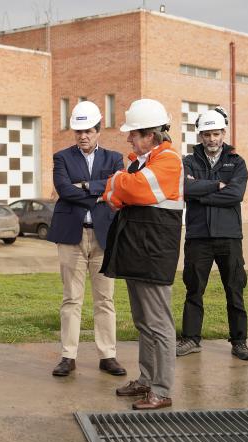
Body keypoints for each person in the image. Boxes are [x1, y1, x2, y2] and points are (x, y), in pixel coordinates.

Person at [101, 98, 183, 410]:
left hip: (154, 252)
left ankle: (161, 390)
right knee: (144, 322)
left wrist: (118, 182)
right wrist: (121, 185)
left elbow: (128, 189)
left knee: (159, 323)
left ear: (150, 134)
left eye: (133, 133)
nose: (128, 139)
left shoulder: (169, 160)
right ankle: (147, 380)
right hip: (138, 250)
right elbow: (113, 196)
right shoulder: (141, 162)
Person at [47, 101, 126, 377]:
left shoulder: (114, 159)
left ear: (98, 130)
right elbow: (65, 190)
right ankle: (68, 356)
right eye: (79, 131)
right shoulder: (62, 157)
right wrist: (98, 191)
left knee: (105, 299)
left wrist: (86, 186)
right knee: (72, 298)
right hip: (72, 237)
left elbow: (117, 184)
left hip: (104, 236)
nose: (83, 136)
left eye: (88, 130)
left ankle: (108, 355)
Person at [177, 108, 248, 361]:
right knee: (194, 289)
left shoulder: (237, 162)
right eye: (207, 134)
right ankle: (190, 339)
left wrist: (202, 194)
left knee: (234, 289)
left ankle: (239, 342)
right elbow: (184, 189)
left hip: (229, 236)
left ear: (224, 133)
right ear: (200, 136)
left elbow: (236, 194)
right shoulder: (188, 161)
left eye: (216, 133)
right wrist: (215, 186)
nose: (211, 139)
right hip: (198, 236)